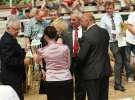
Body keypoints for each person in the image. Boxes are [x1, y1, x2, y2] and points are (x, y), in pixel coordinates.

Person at [33, 26, 73, 100]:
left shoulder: (42, 50)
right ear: (56, 35)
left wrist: (35, 55)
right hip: (66, 78)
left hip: (51, 79)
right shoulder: (65, 48)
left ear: (45, 37)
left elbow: (37, 61)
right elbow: (68, 64)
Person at [100, 1, 133, 91]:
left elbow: (122, 26)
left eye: (110, 8)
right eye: (107, 8)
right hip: (113, 42)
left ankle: (121, 79)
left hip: (121, 40)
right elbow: (103, 33)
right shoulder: (103, 19)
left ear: (114, 8)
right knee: (119, 61)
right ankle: (117, 84)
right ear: (105, 9)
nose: (109, 10)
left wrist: (123, 30)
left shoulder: (118, 15)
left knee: (124, 60)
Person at [78, 12, 111, 100]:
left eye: (81, 21)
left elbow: (81, 57)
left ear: (88, 21)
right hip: (104, 70)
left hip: (91, 73)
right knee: (104, 97)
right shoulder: (105, 32)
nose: (80, 24)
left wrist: (79, 68)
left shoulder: (87, 35)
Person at [0, 18, 30, 100]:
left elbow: (15, 53)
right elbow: (8, 60)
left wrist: (24, 50)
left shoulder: (11, 37)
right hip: (11, 77)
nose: (18, 31)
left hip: (15, 75)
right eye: (15, 29)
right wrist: (23, 61)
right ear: (8, 28)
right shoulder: (6, 40)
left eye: (19, 29)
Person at [62, 12, 86, 100]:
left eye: (73, 20)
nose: (71, 22)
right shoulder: (65, 32)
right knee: (67, 83)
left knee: (80, 83)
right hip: (69, 61)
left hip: (81, 60)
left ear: (79, 20)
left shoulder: (86, 30)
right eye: (70, 19)